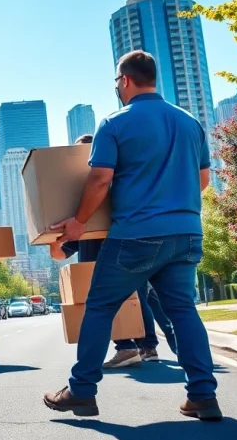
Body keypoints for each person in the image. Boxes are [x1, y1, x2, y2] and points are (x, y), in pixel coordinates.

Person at [42, 50, 221, 421]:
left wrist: (77, 222)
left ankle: (81, 391)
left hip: (137, 234)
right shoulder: (190, 123)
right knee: (183, 311)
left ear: (124, 80)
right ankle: (202, 395)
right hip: (186, 232)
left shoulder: (115, 123)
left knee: (101, 307)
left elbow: (100, 179)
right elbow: (203, 180)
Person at [54, 134, 177, 366]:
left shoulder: (113, 184)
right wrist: (52, 240)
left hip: (127, 246)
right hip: (98, 256)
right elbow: (62, 251)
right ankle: (137, 347)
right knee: (132, 301)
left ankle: (139, 347)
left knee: (135, 300)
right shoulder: (77, 198)